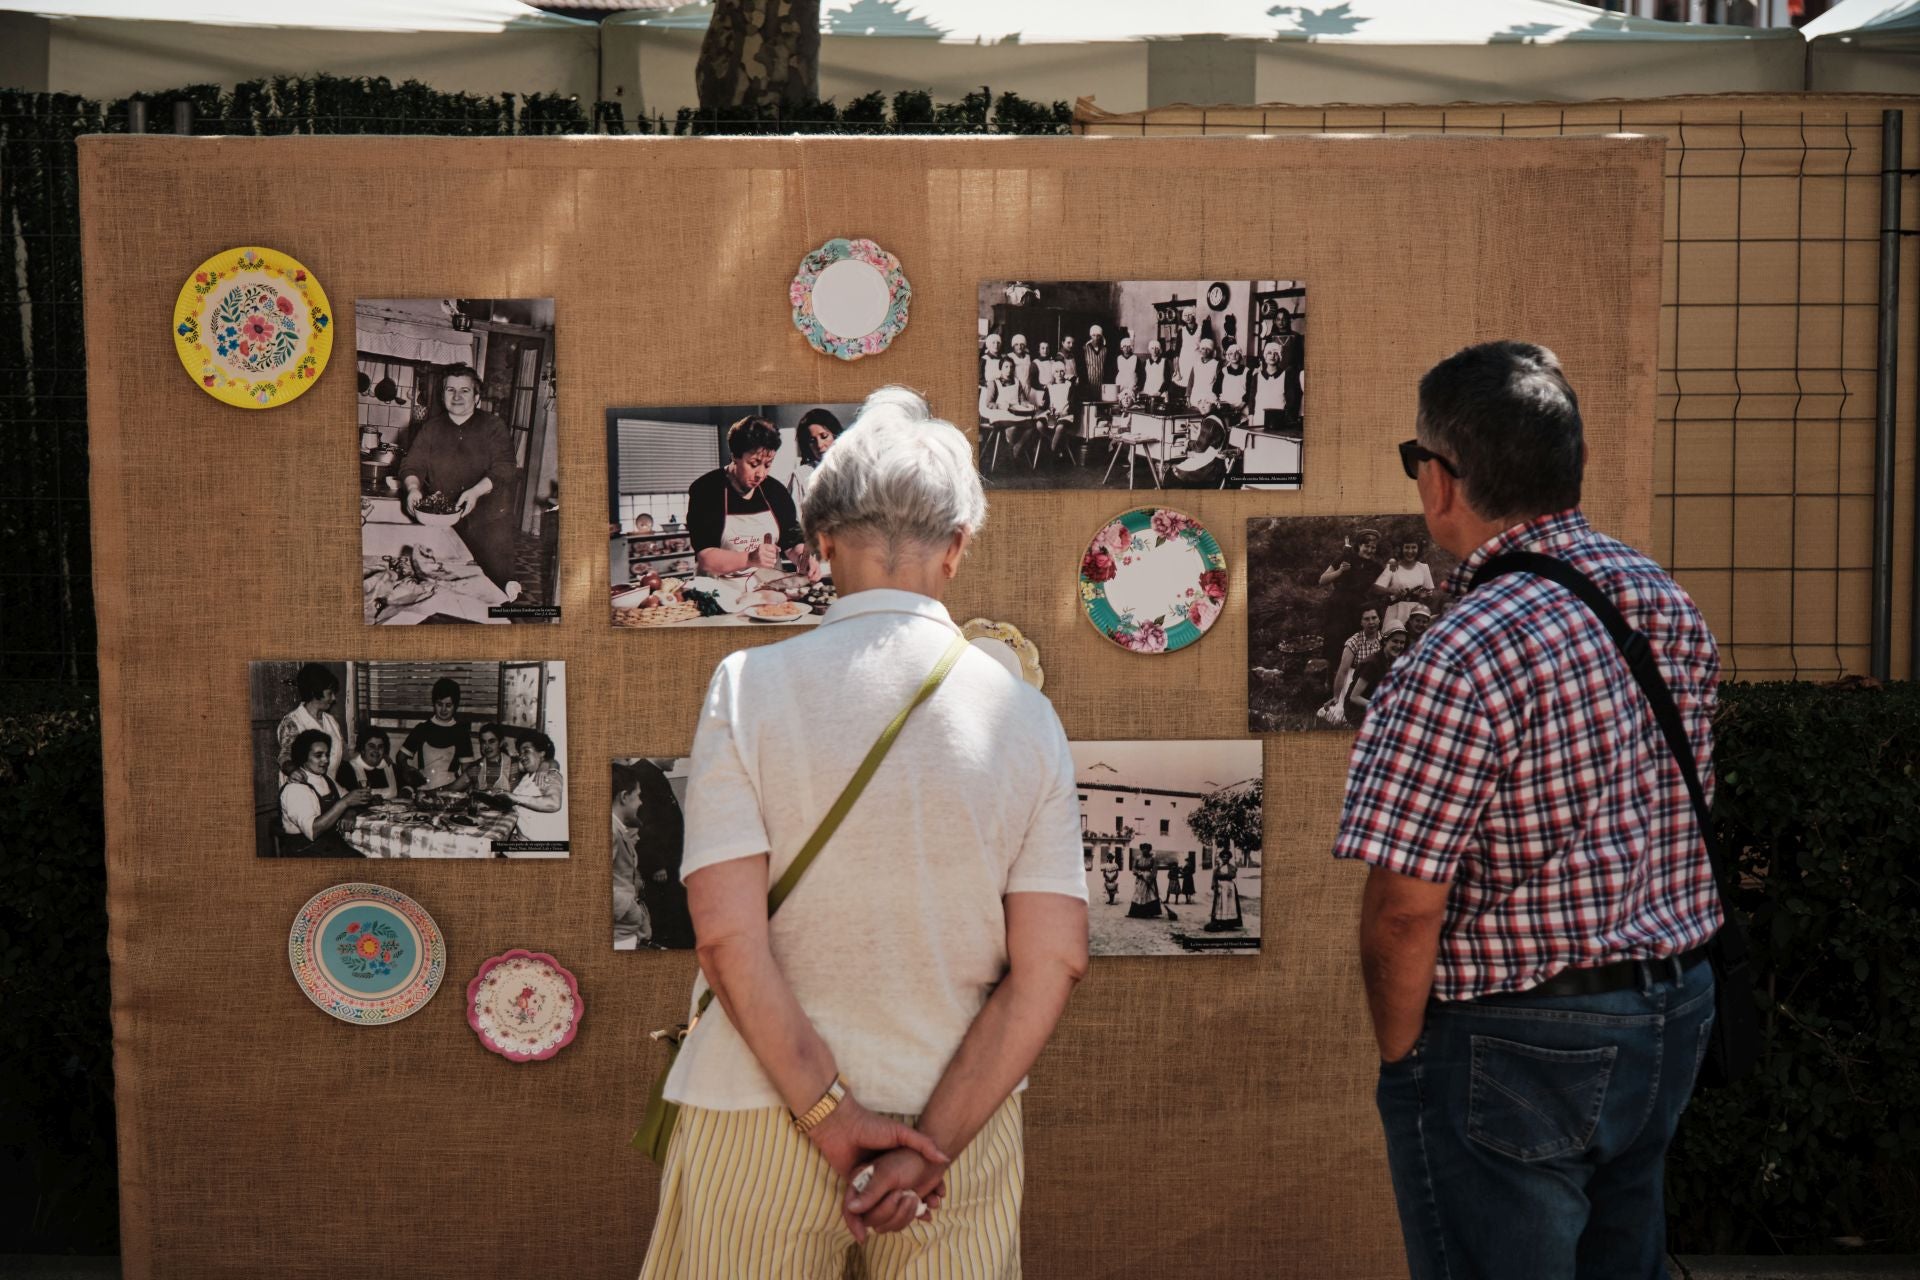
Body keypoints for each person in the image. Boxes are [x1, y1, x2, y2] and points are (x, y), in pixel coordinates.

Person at [640, 387, 1088, 1279]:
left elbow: (726, 938)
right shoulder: (1023, 715)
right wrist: (931, 1147)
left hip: (759, 1108)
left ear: (819, 541)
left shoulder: (747, 687)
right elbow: (1053, 962)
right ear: (958, 548)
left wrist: (831, 1121)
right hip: (955, 1121)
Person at [1334, 341, 1722, 1280]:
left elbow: (1403, 908)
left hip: (1517, 1036)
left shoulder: (1461, 653)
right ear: (1571, 467)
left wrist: (1405, 1065)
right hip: (1671, 1004)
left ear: (1441, 482)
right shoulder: (1660, 600)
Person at [397, 363, 521, 596]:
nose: (456, 396)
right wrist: (413, 488)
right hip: (443, 521)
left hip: (489, 523)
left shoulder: (494, 426)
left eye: (464, 390)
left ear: (476, 397)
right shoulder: (431, 429)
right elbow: (412, 465)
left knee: (495, 590)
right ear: (442, 395)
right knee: (444, 586)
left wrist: (475, 492)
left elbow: (505, 468)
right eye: (450, 389)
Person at [687, 415, 817, 582]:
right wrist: (749, 559)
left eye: (768, 464)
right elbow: (706, 558)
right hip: (719, 594)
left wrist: (804, 560)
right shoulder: (707, 490)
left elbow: (792, 543)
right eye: (754, 464)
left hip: (768, 593)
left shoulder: (776, 492)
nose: (761, 474)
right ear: (735, 456)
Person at [277, 729, 369, 857]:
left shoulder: (325, 778)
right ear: (303, 756)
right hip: (305, 852)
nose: (326, 760)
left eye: (327, 754)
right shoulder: (295, 789)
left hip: (329, 845)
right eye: (318, 755)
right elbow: (313, 831)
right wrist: (345, 803)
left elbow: (349, 798)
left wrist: (349, 812)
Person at [1318, 526, 1383, 668]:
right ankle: (1331, 677)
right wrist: (1340, 571)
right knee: (1334, 642)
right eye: (1367, 546)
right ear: (1359, 545)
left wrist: (1394, 589)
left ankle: (1352, 677)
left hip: (1358, 609)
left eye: (1373, 547)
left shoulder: (1376, 567)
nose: (1370, 550)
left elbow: (1378, 587)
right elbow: (1322, 580)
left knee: (1354, 644)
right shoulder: (1345, 558)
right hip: (1338, 607)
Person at [399, 677, 473, 790]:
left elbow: (466, 771)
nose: (443, 709)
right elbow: (400, 757)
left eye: (448, 705)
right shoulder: (421, 729)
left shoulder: (461, 733)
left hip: (450, 791)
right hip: (423, 791)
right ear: (434, 703)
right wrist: (407, 769)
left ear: (455, 706)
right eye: (439, 704)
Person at [276, 663, 346, 780]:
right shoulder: (293, 722)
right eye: (330, 693)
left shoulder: (331, 721)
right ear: (315, 693)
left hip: (327, 787)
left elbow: (343, 751)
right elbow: (284, 756)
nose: (334, 698)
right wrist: (292, 770)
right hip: (302, 789)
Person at [613, 761, 654, 949]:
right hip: (620, 935)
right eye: (637, 796)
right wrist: (630, 908)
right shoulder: (612, 832)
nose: (641, 802)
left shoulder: (618, 830)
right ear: (623, 797)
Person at [506, 729, 567, 845]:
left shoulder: (550, 772)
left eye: (526, 751)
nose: (521, 756)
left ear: (542, 753)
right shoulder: (527, 778)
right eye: (520, 753)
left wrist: (513, 797)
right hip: (521, 842)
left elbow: (554, 803)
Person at [1343, 624, 1409, 724]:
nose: (1399, 646)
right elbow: (1354, 697)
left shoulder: (1391, 661)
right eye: (1395, 641)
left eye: (1402, 642)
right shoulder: (1372, 663)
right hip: (1357, 711)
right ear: (1385, 641)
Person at [1375, 535, 1435, 631]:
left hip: (1416, 614)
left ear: (1418, 549)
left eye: (1413, 547)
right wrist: (1391, 590)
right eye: (1407, 547)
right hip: (1396, 611)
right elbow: (1377, 587)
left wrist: (1423, 595)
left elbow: (1429, 593)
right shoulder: (1393, 566)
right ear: (1401, 548)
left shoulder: (1423, 568)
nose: (1410, 551)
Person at [789, 407, 845, 507]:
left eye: (824, 436)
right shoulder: (801, 475)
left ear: (835, 435)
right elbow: (796, 518)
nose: (819, 445)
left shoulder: (852, 470)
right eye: (812, 440)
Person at [1331, 606, 1386, 706]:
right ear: (1361, 622)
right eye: (1366, 619)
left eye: (1374, 618)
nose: (1371, 622)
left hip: (1377, 680)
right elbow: (1342, 671)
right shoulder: (1354, 641)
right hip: (1356, 680)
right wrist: (1336, 696)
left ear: (1379, 620)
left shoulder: (1384, 640)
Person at [336, 725, 404, 799]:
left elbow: (406, 786)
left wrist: (406, 790)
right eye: (371, 746)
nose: (376, 750)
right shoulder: (347, 770)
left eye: (380, 746)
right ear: (362, 749)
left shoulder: (392, 768)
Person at [1165, 414, 1231, 489]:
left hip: (1209, 467)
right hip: (1215, 463)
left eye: (1206, 402)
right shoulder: (1217, 418)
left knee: (1172, 475)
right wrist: (1197, 430)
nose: (1202, 405)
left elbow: (1199, 448)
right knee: (1175, 472)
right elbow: (1212, 439)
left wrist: (1188, 442)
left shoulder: (1210, 421)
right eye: (1199, 402)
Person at [467, 722, 518, 793]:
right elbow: (453, 787)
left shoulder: (514, 764)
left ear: (501, 743)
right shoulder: (475, 767)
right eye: (483, 742)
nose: (487, 746)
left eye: (492, 741)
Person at [1204, 849, 1241, 931]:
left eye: (1227, 857)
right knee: (1220, 904)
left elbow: (1231, 875)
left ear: (1229, 858)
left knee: (1230, 904)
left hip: (1229, 887)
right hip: (1220, 887)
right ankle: (1220, 921)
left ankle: (1229, 922)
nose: (1225, 858)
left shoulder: (1232, 867)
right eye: (1223, 857)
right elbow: (1214, 877)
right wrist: (1214, 886)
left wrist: (1220, 875)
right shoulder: (1217, 867)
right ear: (1221, 858)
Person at [1126, 842, 1163, 919]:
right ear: (1141, 849)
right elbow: (1134, 868)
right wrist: (1138, 873)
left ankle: (1149, 912)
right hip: (1140, 879)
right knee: (1138, 894)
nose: (1145, 850)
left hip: (1149, 879)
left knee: (1150, 895)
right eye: (1143, 849)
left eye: (1147, 849)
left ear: (1149, 850)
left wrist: (1151, 879)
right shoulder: (1138, 858)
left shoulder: (1152, 859)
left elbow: (1155, 870)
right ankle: (1135, 912)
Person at [1081, 325, 1111, 390]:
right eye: (1093, 335)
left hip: (1101, 382)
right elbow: (1082, 367)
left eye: (1098, 335)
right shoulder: (1085, 349)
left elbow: (1107, 367)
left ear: (1101, 336)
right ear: (1090, 336)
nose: (1096, 338)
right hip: (1088, 383)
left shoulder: (1105, 350)